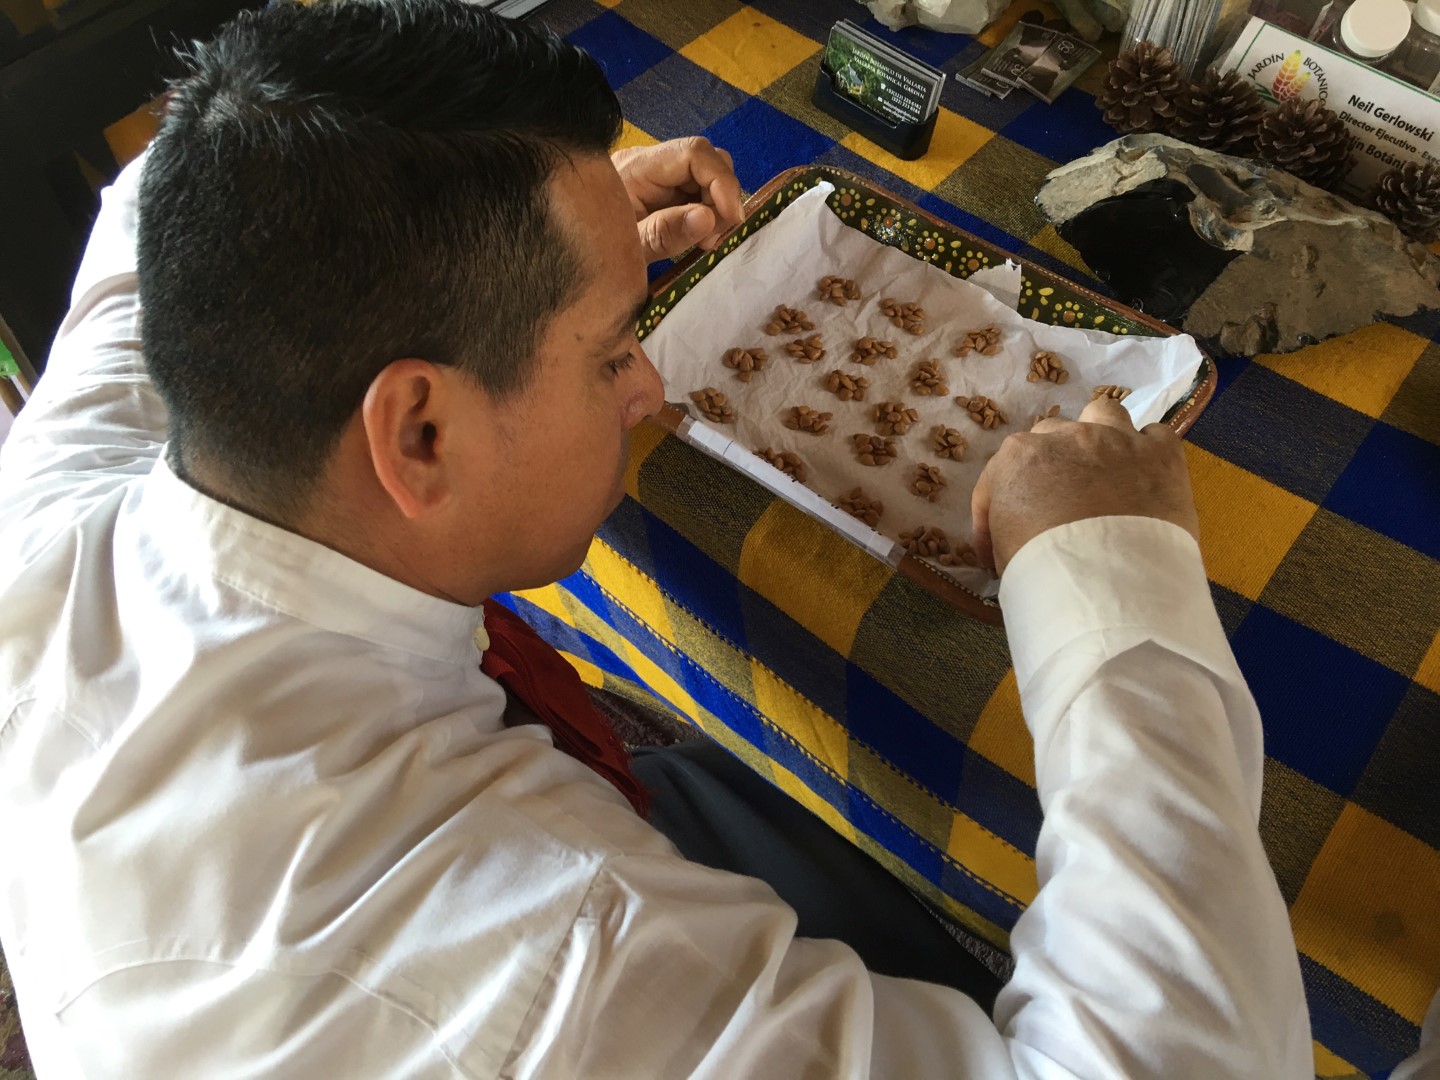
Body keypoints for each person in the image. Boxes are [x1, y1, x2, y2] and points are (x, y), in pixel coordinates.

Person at [0, 0, 1318, 1075]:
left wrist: (522, 241)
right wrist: (1107, 569)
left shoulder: (64, 491)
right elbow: (1185, 1058)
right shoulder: (546, 961)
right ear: (421, 435)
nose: (648, 387)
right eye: (611, 350)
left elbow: (153, 195)